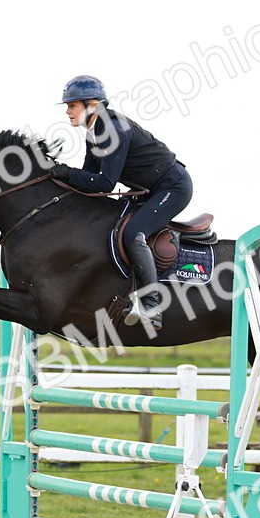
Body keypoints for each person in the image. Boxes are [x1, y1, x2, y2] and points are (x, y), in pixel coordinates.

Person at [48, 75, 192, 330]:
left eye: (72, 105)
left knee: (134, 233)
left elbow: (105, 183)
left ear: (92, 105)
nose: (67, 111)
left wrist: (67, 173)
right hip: (149, 190)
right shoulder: (94, 132)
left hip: (173, 187)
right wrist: (57, 177)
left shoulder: (113, 129)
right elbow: (88, 178)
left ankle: (151, 305)